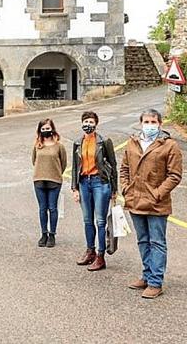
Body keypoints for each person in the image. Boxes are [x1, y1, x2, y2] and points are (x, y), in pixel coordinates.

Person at [120, 109, 182, 299]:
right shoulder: (132, 143)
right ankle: (146, 276)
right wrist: (125, 188)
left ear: (160, 123)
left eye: (152, 121)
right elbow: (124, 168)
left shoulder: (170, 146)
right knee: (143, 241)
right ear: (140, 123)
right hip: (135, 201)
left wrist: (157, 194)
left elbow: (174, 175)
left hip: (156, 204)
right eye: (146, 122)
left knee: (157, 242)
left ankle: (156, 282)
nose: (149, 125)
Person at [71, 111, 117, 271]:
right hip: (84, 182)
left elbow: (113, 164)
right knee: (87, 220)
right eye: (85, 121)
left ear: (96, 124)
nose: (88, 124)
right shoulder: (78, 143)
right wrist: (74, 188)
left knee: (100, 221)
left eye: (91, 122)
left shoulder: (104, 142)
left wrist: (114, 189)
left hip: (100, 183)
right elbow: (75, 166)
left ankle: (100, 256)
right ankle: (90, 251)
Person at [31, 118, 67, 248]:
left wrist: (56, 173)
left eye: (48, 128)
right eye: (43, 129)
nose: (46, 131)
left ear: (52, 129)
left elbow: (63, 163)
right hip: (39, 180)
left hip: (54, 180)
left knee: (52, 208)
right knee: (42, 208)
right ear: (40, 130)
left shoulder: (59, 146)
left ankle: (52, 234)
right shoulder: (37, 145)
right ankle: (44, 233)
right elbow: (34, 160)